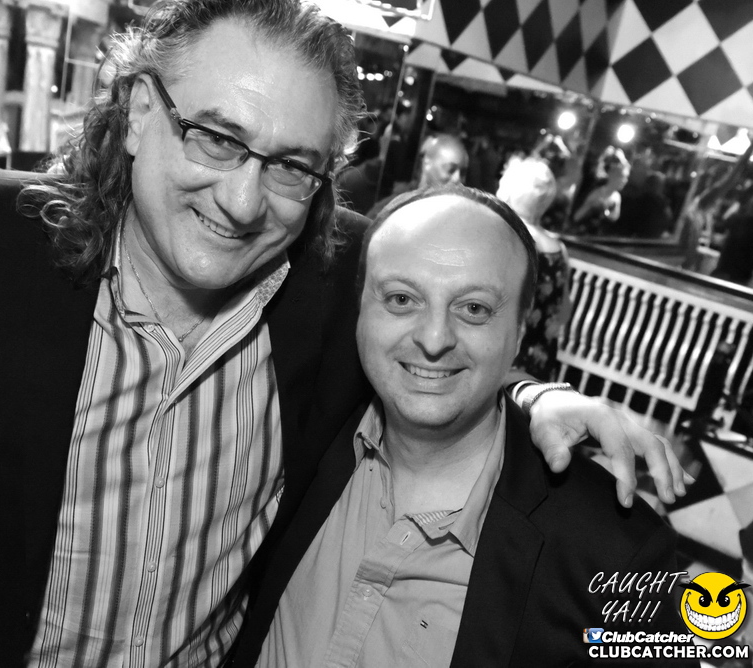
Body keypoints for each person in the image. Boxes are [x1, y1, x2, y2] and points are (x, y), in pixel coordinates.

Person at [0, 0, 684, 665]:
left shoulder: (331, 281)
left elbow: (436, 324)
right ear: (137, 113)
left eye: (290, 166)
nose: (243, 201)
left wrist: (534, 394)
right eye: (215, 137)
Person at [234, 186, 691, 667]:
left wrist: (540, 392)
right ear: (360, 309)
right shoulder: (309, 411)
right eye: (401, 299)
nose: (434, 339)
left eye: (474, 309)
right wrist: (537, 393)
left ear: (519, 332)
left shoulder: (614, 552)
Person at [496, 156, 571, 381]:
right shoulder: (559, 248)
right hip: (542, 363)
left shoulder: (508, 237)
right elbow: (564, 312)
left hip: (506, 360)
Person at [366, 133, 468, 219]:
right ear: (427, 164)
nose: (457, 178)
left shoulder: (459, 216)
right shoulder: (393, 209)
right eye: (451, 170)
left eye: (462, 172)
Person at [571, 146, 630, 235]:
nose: (624, 181)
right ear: (612, 176)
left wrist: (606, 213)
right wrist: (591, 206)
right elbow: (577, 217)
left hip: (600, 236)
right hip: (584, 233)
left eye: (626, 178)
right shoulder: (598, 192)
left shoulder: (617, 197)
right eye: (621, 177)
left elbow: (614, 217)